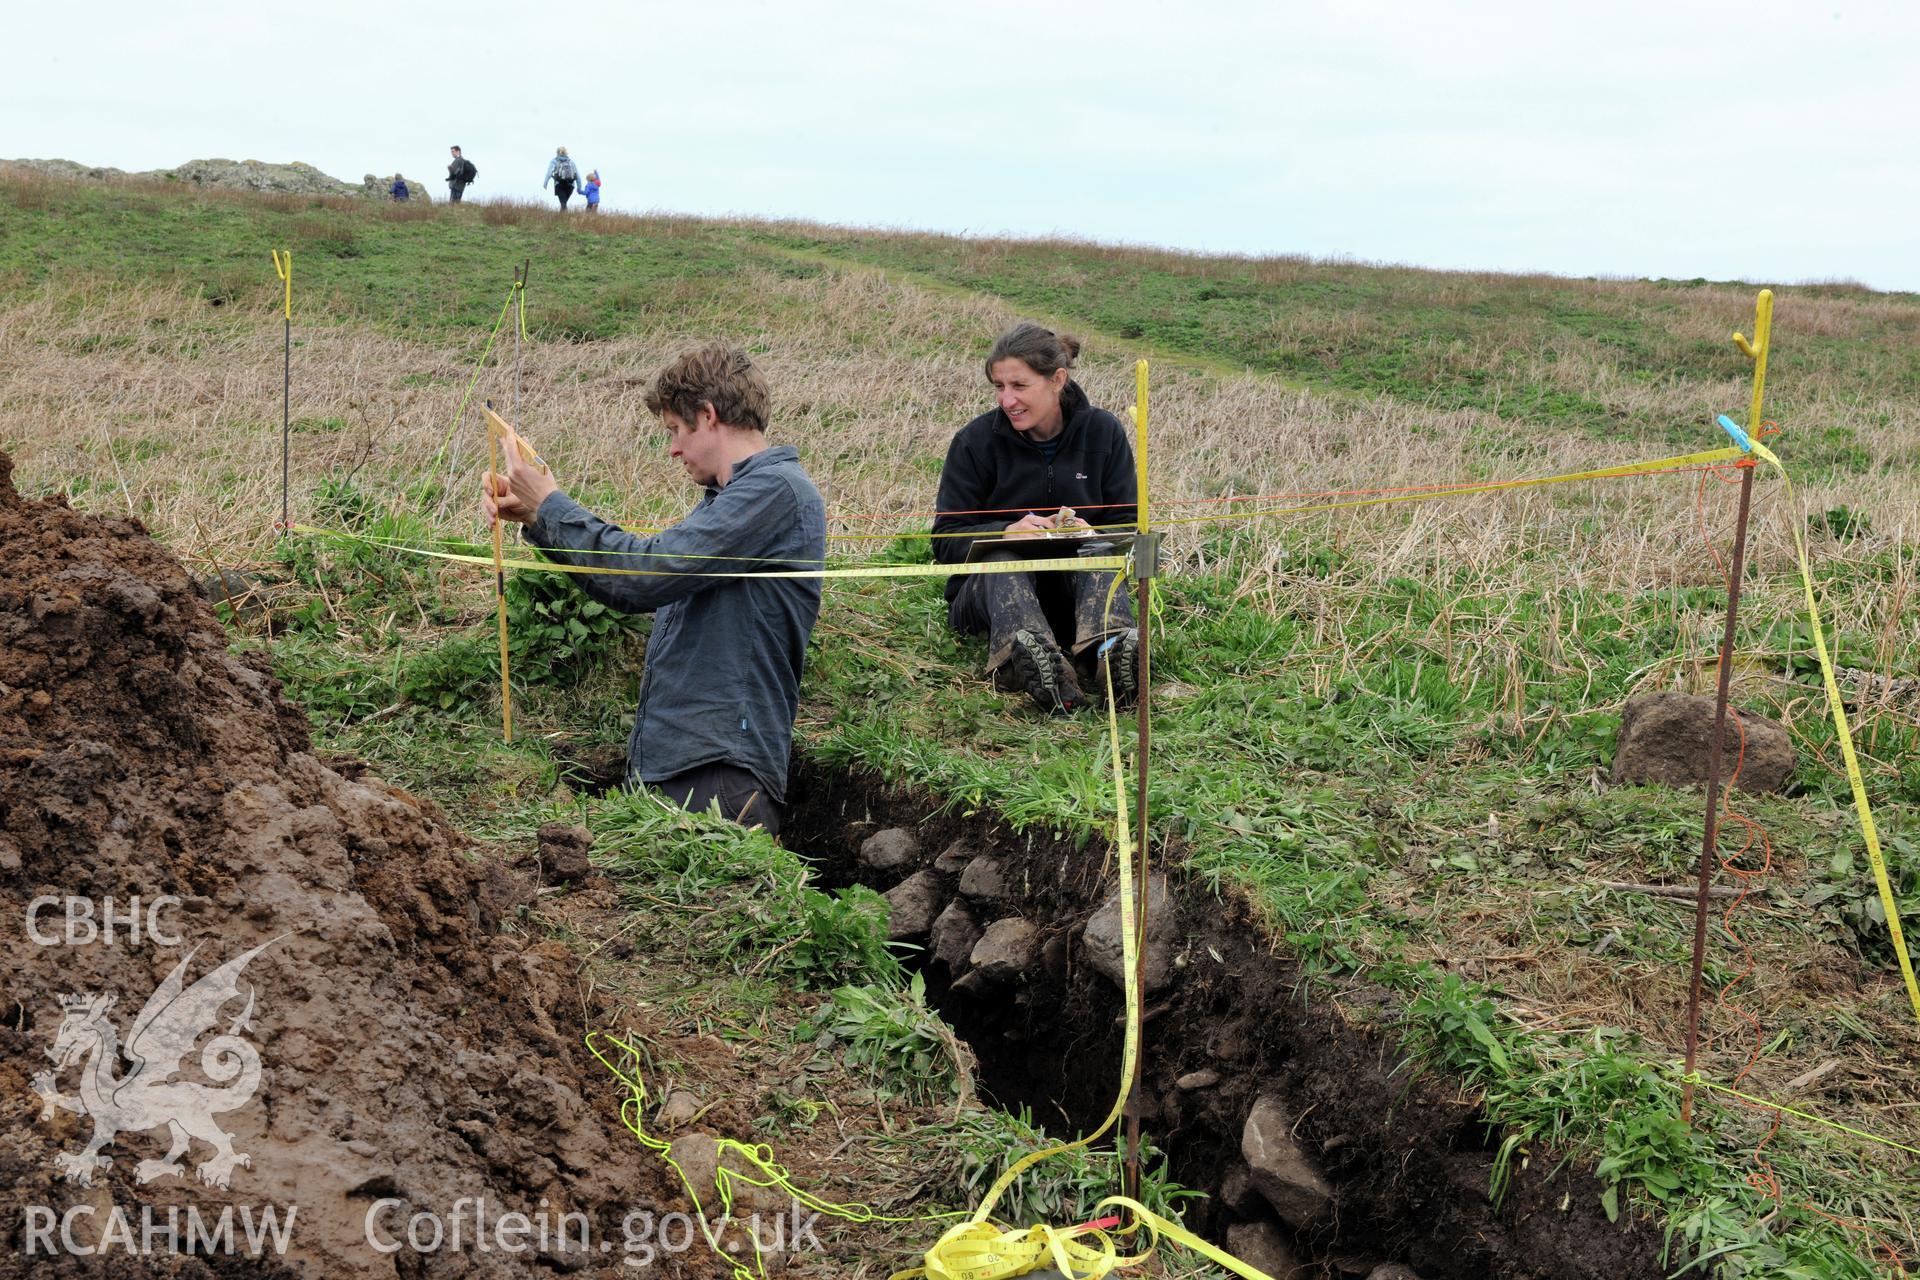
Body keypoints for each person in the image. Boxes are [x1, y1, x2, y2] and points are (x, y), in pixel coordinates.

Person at [482, 344, 825, 837]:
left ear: (708, 416)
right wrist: (540, 517)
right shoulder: (728, 503)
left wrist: (553, 507)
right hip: (686, 769)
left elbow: (642, 576)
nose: (673, 450)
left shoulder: (774, 493)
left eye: (675, 431)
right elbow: (635, 579)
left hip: (718, 774)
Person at [933, 323, 1139, 714]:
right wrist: (1005, 532)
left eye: (1019, 386)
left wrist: (1091, 532)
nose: (1007, 400)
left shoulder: (1103, 432)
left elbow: (1128, 527)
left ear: (1057, 379)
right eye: (999, 386)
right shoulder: (973, 442)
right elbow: (944, 541)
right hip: (985, 602)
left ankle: (1111, 655)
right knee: (1003, 560)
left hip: (1073, 598)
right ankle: (1026, 661)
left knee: (1097, 549)